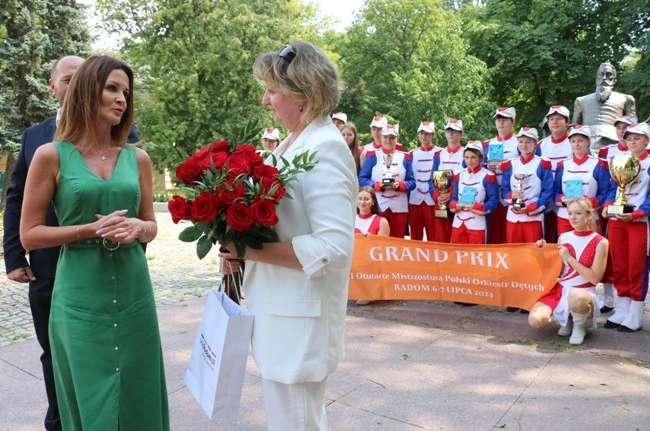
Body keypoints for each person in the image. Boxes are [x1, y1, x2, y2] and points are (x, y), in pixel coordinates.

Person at [19, 55, 169, 430]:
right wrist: (88, 230)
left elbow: (151, 225)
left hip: (134, 291)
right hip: (78, 290)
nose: (121, 99)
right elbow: (30, 234)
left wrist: (137, 227)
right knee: (88, 390)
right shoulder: (50, 155)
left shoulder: (138, 158)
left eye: (126, 93)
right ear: (87, 91)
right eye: (112, 89)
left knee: (138, 388)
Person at [221, 41, 357, 430]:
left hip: (300, 324)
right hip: (282, 316)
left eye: (271, 90)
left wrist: (248, 249)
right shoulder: (293, 143)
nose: (265, 100)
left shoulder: (325, 149)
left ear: (302, 96)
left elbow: (332, 248)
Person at [3, 54, 83, 431]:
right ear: (53, 87)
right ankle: (59, 421)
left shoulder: (118, 130)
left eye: (83, 77)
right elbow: (16, 196)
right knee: (53, 351)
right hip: (47, 265)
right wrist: (14, 255)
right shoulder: (34, 136)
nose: (76, 85)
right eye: (68, 79)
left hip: (100, 263)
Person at [528, 198, 609, 345]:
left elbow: (594, 278)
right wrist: (542, 252)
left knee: (577, 296)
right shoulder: (564, 237)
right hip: (561, 290)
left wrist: (569, 258)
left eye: (578, 213)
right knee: (535, 321)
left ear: (589, 215)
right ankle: (564, 320)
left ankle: (579, 326)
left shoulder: (600, 241)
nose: (573, 217)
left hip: (584, 293)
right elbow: (557, 271)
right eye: (570, 213)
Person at [601, 122, 650, 332]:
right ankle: (622, 307)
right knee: (619, 265)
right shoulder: (620, 160)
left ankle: (636, 312)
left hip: (639, 222)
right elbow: (611, 188)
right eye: (629, 139)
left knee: (636, 266)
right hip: (617, 221)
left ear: (647, 141)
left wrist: (637, 214)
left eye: (637, 138)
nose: (632, 142)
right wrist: (606, 206)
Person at [596, 115, 637, 313]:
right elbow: (606, 183)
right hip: (610, 209)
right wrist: (606, 204)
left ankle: (630, 303)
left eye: (626, 128)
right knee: (608, 253)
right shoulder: (606, 151)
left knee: (630, 259)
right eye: (619, 128)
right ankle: (609, 299)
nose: (622, 131)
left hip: (634, 211)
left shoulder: (641, 153)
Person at [359, 124, 415, 238]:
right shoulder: (372, 156)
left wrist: (400, 185)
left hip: (399, 208)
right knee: (377, 241)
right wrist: (377, 185)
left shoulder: (405, 157)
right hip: (378, 206)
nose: (388, 140)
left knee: (397, 242)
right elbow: (362, 179)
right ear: (381, 137)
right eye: (385, 137)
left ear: (397, 138)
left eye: (392, 137)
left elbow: (412, 182)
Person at [553, 125, 609, 236]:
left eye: (580, 141)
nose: (576, 144)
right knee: (565, 245)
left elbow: (605, 193)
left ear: (588, 142)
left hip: (589, 216)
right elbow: (555, 192)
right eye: (573, 141)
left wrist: (588, 202)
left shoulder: (599, 164)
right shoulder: (562, 165)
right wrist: (563, 199)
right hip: (565, 217)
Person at [501, 127, 553, 244]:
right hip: (513, 217)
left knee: (534, 251)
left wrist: (530, 208)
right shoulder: (510, 164)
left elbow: (548, 192)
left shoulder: (542, 163)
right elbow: (504, 190)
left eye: (528, 142)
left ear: (535, 144)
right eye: (521, 141)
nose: (524, 145)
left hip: (533, 217)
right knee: (513, 251)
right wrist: (512, 196)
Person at [572, 62, 637, 150]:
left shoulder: (627, 99)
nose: (604, 78)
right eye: (601, 75)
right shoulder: (580, 100)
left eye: (608, 75)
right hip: (587, 144)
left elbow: (633, 128)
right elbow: (575, 127)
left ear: (614, 80)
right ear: (596, 79)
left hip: (615, 143)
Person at [449, 141, 499, 245]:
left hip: (477, 224)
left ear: (480, 158)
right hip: (458, 223)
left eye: (473, 157)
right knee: (458, 253)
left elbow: (494, 202)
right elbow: (453, 198)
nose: (469, 161)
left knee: (477, 253)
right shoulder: (459, 174)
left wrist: (477, 207)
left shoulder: (488, 175)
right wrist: (456, 206)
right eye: (466, 157)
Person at [538, 105, 573, 242]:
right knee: (544, 237)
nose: (555, 122)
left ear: (567, 121)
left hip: (566, 198)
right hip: (545, 197)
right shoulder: (540, 145)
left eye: (559, 119)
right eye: (551, 119)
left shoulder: (575, 142)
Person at [484, 107, 519, 244]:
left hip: (512, 194)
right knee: (493, 234)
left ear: (513, 122)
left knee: (510, 235)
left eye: (505, 119)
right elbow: (477, 166)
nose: (501, 122)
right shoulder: (487, 144)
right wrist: (486, 167)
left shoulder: (520, 142)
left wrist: (504, 166)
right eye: (498, 119)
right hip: (491, 195)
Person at [430, 118, 466, 243]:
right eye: (448, 130)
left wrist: (451, 195)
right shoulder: (438, 155)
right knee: (440, 239)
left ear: (461, 134)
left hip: (458, 202)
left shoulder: (466, 154)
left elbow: (468, 179)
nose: (451, 133)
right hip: (440, 202)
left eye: (454, 131)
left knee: (458, 239)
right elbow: (431, 179)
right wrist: (437, 196)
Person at [354, 186, 389, 306]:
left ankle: (370, 290)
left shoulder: (381, 221)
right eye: (359, 198)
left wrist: (370, 240)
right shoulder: (350, 220)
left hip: (371, 262)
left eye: (366, 199)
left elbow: (383, 248)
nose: (362, 202)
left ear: (373, 201)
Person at [408, 121, 440, 241]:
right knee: (415, 237)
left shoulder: (439, 153)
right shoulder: (411, 154)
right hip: (415, 199)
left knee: (434, 236)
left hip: (433, 200)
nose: (424, 136)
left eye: (427, 133)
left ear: (433, 135)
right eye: (421, 133)